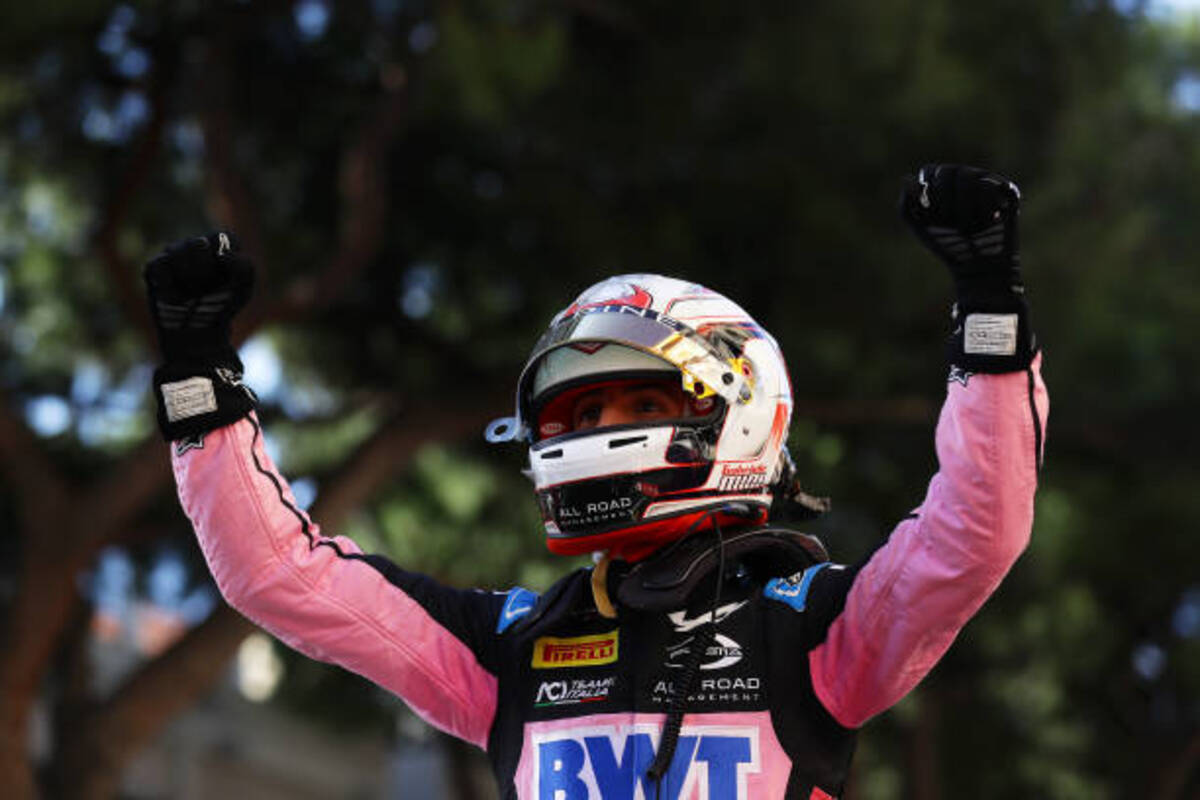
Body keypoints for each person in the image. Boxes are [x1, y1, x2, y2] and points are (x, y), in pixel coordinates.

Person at [144, 164, 1048, 799]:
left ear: (734, 408)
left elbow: (973, 533)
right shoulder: (512, 645)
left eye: (627, 403)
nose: (592, 433)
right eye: (571, 416)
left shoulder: (814, 625)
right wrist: (199, 387)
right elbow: (279, 576)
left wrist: (990, 315)